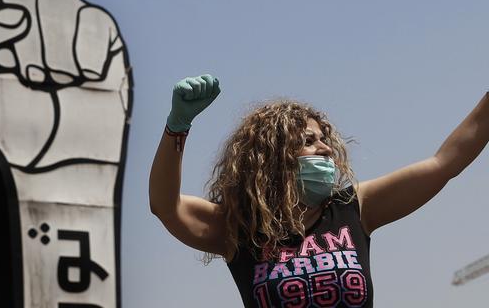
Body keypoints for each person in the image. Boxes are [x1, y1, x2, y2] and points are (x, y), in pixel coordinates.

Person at [149, 74, 489, 307]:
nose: (326, 149)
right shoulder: (238, 227)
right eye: (309, 141)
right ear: (272, 158)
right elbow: (165, 206)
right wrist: (177, 127)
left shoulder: (354, 208)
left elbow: (445, 163)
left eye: (325, 140)